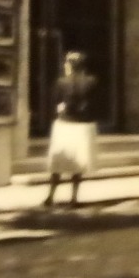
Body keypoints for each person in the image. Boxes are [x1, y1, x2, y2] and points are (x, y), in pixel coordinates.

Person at [43, 50, 98, 207]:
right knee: (77, 165)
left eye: (66, 63)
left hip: (65, 124)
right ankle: (73, 197)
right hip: (83, 125)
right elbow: (95, 102)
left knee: (57, 163)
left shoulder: (61, 83)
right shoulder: (91, 82)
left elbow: (56, 103)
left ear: (70, 66)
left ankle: (51, 196)